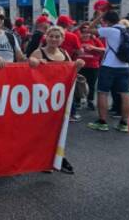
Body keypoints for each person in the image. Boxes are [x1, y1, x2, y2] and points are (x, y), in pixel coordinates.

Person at [29, 26, 85, 173]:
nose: (54, 39)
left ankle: (57, 157)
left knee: (59, 129)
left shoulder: (65, 53)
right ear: (46, 37)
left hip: (60, 99)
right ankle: (43, 159)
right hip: (42, 99)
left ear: (62, 39)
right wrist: (33, 62)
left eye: (57, 37)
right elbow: (29, 66)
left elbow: (69, 75)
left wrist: (78, 66)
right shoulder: (39, 52)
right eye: (51, 36)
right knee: (42, 130)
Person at [87, 10, 129, 133]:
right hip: (125, 65)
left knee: (103, 93)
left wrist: (99, 17)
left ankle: (102, 122)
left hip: (109, 66)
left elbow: (89, 29)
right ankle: (124, 123)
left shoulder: (110, 30)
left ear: (106, 21)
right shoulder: (127, 30)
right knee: (125, 94)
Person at [77, 22, 105, 111]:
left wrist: (93, 48)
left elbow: (104, 49)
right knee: (78, 84)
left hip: (93, 66)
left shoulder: (95, 40)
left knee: (91, 85)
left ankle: (90, 101)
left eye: (87, 32)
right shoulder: (77, 39)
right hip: (80, 66)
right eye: (83, 32)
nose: (85, 34)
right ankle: (77, 101)